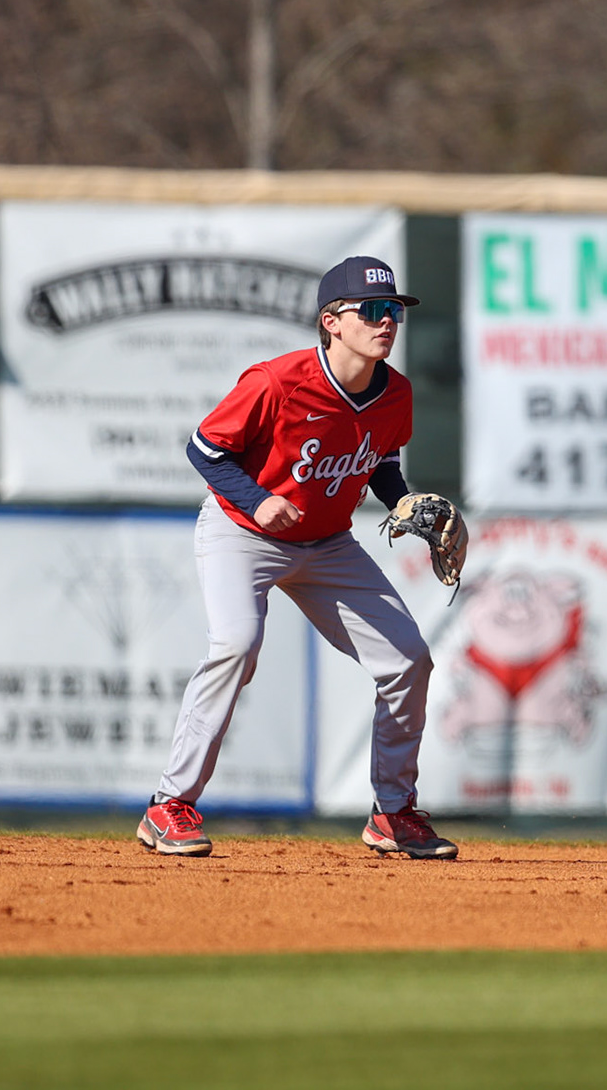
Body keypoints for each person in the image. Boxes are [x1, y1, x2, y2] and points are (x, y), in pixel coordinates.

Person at [139, 256, 463, 862]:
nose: (386, 321)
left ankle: (392, 813)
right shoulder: (275, 382)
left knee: (408, 660)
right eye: (371, 310)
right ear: (332, 321)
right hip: (243, 532)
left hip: (327, 543)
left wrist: (405, 501)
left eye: (393, 310)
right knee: (237, 642)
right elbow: (204, 449)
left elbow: (383, 463)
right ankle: (169, 804)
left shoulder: (397, 393)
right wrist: (258, 502)